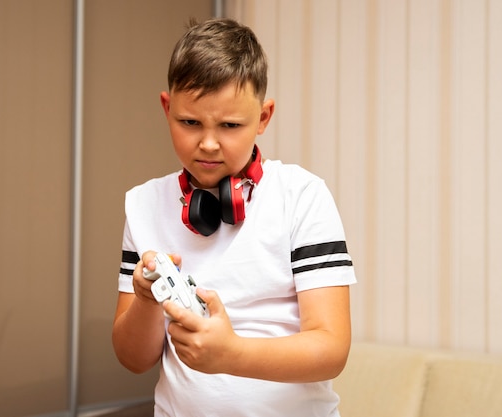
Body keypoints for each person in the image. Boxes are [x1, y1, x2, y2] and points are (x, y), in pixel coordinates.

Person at [112, 17, 356, 417]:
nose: (207, 143)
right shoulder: (143, 205)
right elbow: (134, 359)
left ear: (263, 117)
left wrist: (231, 354)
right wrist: (144, 299)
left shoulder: (302, 196)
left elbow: (331, 349)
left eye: (229, 125)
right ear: (166, 108)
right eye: (189, 122)